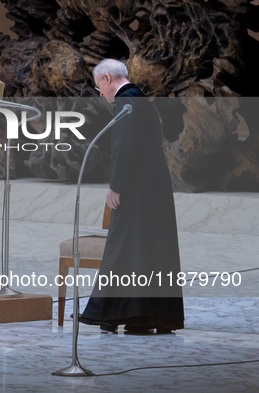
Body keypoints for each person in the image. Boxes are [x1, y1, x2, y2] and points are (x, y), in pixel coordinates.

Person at [78, 59, 184, 334]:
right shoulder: (141, 101)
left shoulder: (126, 104)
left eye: (99, 85)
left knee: (124, 249)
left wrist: (116, 186)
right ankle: (146, 318)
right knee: (147, 250)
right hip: (153, 188)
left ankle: (111, 315)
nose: (100, 92)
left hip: (135, 189)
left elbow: (125, 148)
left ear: (107, 77)